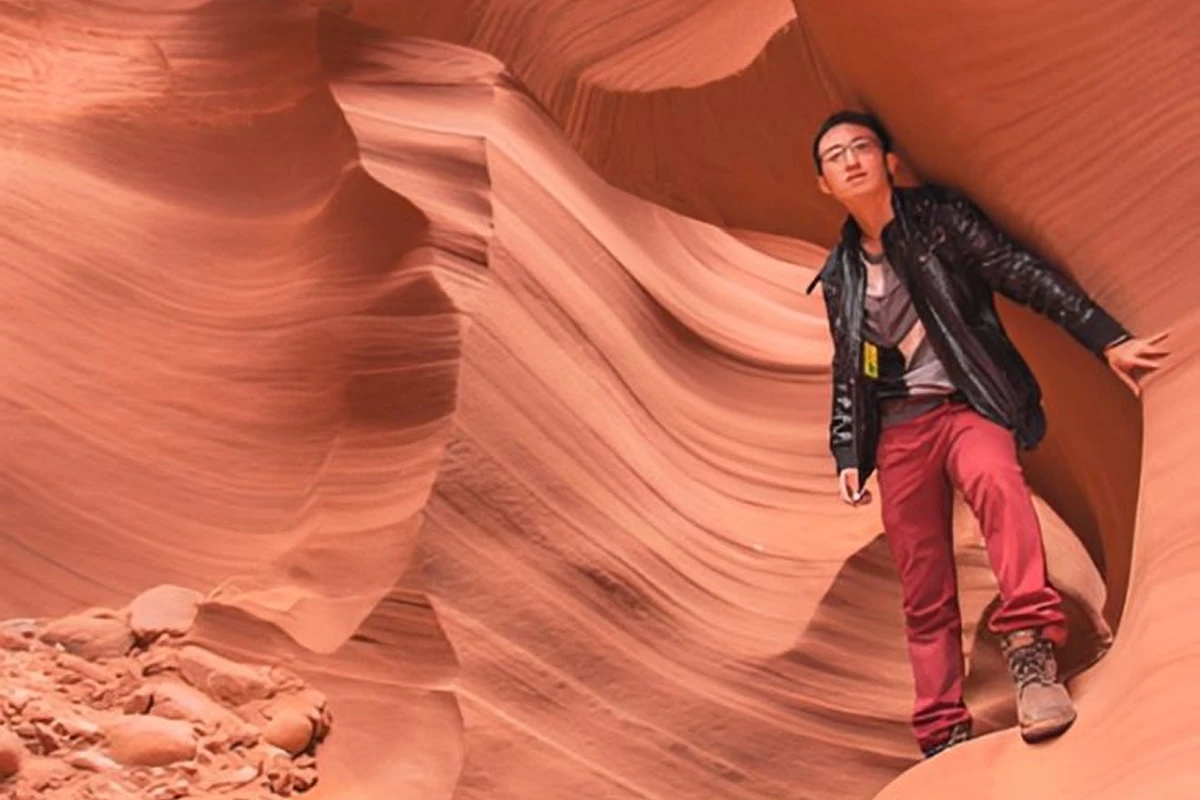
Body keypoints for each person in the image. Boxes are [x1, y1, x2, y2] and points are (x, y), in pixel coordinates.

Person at [805, 110, 1169, 759]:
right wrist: (848, 449)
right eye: (836, 156)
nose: (852, 159)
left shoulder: (940, 220)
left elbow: (1018, 272)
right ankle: (941, 726)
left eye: (862, 147)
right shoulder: (843, 274)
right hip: (898, 429)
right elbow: (849, 363)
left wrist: (1104, 337)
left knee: (1002, 492)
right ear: (824, 185)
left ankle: (1032, 660)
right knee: (922, 579)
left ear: (889, 160)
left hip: (968, 402)